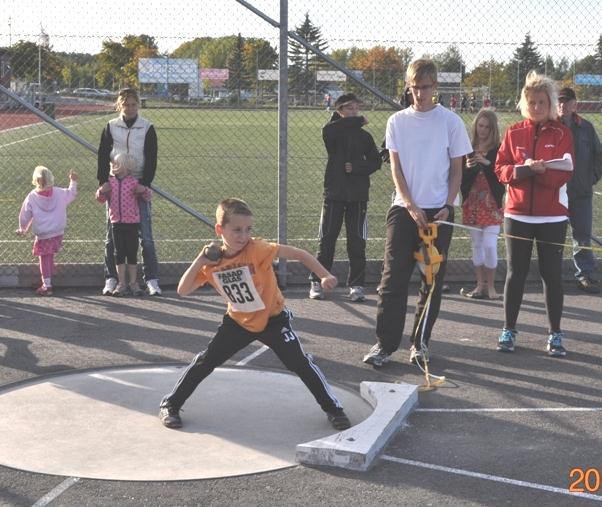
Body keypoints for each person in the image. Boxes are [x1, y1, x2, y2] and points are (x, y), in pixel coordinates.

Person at [159, 198, 351, 431]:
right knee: (206, 361)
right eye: (237, 230)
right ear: (220, 229)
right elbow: (183, 289)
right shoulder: (212, 262)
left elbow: (299, 254)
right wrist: (200, 260)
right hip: (238, 322)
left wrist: (324, 275)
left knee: (299, 363)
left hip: (273, 320)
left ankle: (333, 409)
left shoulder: (258, 249)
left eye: (248, 230)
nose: (243, 236)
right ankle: (171, 404)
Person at [362, 59, 472, 368]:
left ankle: (420, 343)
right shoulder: (397, 121)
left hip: (438, 211)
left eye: (425, 87)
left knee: (431, 279)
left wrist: (447, 205)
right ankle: (385, 344)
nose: (420, 94)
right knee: (392, 279)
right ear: (408, 87)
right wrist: (409, 204)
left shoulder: (451, 122)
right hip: (404, 209)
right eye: (414, 87)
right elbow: (396, 168)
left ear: (435, 87)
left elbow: (456, 172)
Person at [494, 71, 574, 357]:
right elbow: (500, 169)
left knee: (551, 275)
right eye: (531, 102)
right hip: (516, 215)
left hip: (552, 217)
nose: (536, 107)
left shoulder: (562, 132)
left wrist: (540, 173)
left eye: (541, 102)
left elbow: (563, 174)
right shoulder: (513, 131)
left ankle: (555, 334)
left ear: (550, 103)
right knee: (515, 273)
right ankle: (509, 329)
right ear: (524, 102)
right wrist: (523, 169)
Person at [309, 93, 381, 302]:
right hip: (334, 194)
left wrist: (357, 167)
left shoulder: (364, 137)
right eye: (348, 108)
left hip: (358, 196)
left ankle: (356, 285)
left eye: (356, 108)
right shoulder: (333, 132)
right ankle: (317, 280)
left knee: (357, 242)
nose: (353, 112)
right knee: (327, 240)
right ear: (339, 111)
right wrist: (357, 121)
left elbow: (375, 161)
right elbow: (330, 129)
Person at [97, 87, 161, 296]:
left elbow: (151, 157)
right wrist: (103, 181)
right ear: (119, 105)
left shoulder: (147, 127)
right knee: (111, 237)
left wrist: (145, 184)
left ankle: (151, 279)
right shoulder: (111, 126)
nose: (130, 108)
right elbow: (102, 154)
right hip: (115, 186)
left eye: (134, 104)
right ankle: (111, 279)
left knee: (146, 237)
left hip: (138, 186)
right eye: (126, 104)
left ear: (138, 105)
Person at [557, 87, 602, 294]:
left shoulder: (586, 128)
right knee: (553, 235)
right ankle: (551, 274)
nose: (562, 105)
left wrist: (592, 178)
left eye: (566, 102)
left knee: (582, 236)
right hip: (555, 192)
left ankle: (585, 275)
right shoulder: (549, 127)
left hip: (581, 192)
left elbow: (598, 156)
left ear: (575, 104)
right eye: (559, 102)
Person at [459, 109, 504, 300]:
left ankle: (491, 286)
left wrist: (487, 162)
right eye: (480, 125)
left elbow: (502, 176)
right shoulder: (468, 147)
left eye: (487, 126)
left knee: (489, 245)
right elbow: (460, 179)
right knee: (477, 244)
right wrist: (468, 168)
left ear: (493, 129)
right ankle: (479, 285)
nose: (483, 130)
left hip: (492, 203)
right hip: (473, 202)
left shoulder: (499, 149)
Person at [96, 152, 152, 297]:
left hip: (132, 223)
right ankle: (121, 283)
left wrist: (144, 190)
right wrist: (101, 191)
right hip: (116, 223)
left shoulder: (133, 182)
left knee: (132, 253)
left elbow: (147, 196)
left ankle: (133, 283)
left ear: (126, 167)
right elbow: (100, 199)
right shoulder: (110, 182)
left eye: (116, 163)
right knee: (119, 254)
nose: (113, 166)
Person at [16, 166, 78, 296]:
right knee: (49, 256)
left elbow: (25, 213)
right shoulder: (58, 192)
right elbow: (71, 193)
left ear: (36, 180)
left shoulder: (32, 196)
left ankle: (47, 284)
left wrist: (23, 228)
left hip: (43, 234)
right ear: (51, 178)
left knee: (44, 258)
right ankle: (48, 278)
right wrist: (73, 181)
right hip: (56, 232)